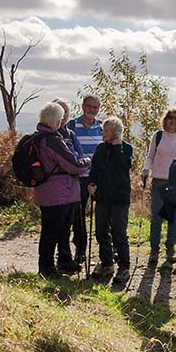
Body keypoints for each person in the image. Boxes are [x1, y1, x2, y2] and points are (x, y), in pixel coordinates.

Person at [31, 102, 91, 279]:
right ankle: (47, 269)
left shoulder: (38, 137)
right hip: (59, 193)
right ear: (55, 120)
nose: (62, 121)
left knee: (52, 231)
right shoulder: (53, 140)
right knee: (53, 232)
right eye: (60, 118)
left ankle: (55, 264)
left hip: (46, 192)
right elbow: (74, 165)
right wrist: (86, 161)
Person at [87, 116, 134, 285]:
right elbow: (95, 170)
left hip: (120, 198)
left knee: (119, 233)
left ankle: (124, 267)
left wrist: (117, 147)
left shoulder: (126, 149)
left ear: (115, 132)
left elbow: (124, 166)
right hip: (103, 197)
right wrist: (92, 183)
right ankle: (107, 263)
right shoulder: (100, 149)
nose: (102, 133)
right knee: (101, 231)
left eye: (106, 131)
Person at [141, 107, 176, 266]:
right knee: (157, 217)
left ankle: (170, 248)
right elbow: (150, 156)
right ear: (165, 119)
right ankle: (154, 250)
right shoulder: (158, 136)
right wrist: (145, 169)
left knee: (173, 217)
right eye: (170, 117)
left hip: (175, 183)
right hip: (158, 181)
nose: (173, 121)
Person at [66, 95, 103, 265]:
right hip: (79, 178)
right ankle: (80, 250)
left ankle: (107, 251)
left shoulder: (103, 127)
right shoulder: (72, 126)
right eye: (89, 106)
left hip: (98, 178)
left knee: (104, 215)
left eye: (95, 107)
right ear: (82, 106)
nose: (92, 110)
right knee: (78, 216)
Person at [52, 98, 86, 274]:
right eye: (60, 112)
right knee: (57, 225)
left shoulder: (71, 135)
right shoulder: (48, 136)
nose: (64, 116)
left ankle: (67, 258)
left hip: (72, 184)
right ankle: (60, 259)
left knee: (71, 222)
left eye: (66, 113)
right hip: (54, 187)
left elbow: (79, 156)